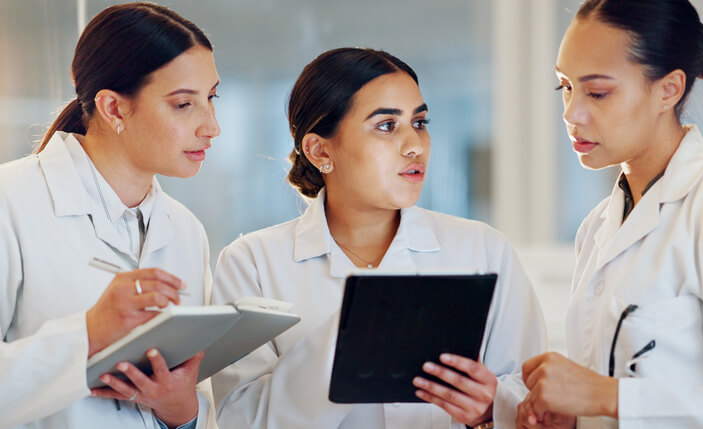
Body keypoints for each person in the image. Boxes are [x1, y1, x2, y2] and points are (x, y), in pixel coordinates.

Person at [210, 47, 546, 429]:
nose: (415, 145)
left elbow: (532, 397)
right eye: (386, 126)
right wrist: (350, 338)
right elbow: (240, 419)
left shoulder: (483, 249)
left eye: (419, 122)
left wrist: (490, 409)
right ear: (320, 150)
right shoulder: (252, 262)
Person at [515, 0, 703, 428]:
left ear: (668, 90)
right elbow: (606, 398)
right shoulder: (597, 227)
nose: (571, 113)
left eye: (597, 92)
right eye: (565, 86)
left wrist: (608, 397)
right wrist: (572, 416)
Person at [0, 3, 221, 428]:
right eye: (183, 105)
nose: (211, 126)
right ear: (114, 109)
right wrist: (88, 335)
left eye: (211, 97)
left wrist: (181, 410)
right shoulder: (11, 202)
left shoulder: (185, 231)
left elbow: (197, 400)